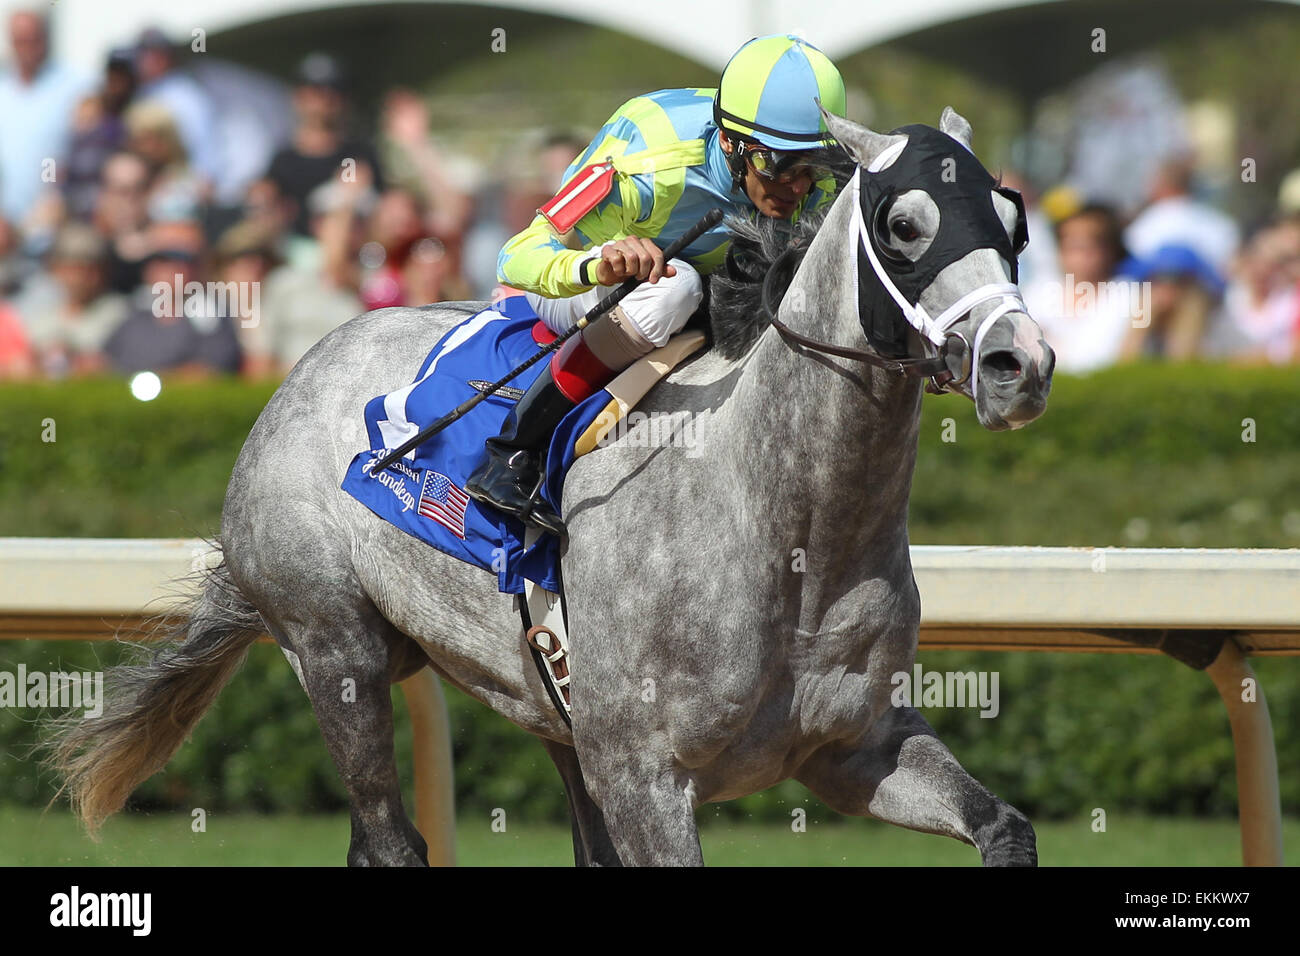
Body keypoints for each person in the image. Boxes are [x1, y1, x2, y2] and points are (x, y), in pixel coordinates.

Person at [464, 34, 846, 535]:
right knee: (678, 286)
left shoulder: (816, 179)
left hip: (701, 285)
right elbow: (515, 255)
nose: (797, 187)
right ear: (730, 143)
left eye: (811, 167)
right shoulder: (644, 166)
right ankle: (513, 451)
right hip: (586, 282)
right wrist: (598, 267)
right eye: (776, 165)